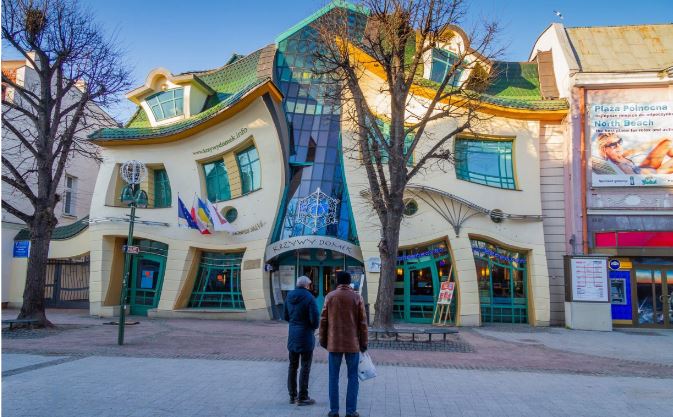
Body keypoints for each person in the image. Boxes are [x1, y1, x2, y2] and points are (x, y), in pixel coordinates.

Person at [319, 271, 368, 417]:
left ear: (338, 282)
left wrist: (323, 341)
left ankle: (334, 411)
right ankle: (351, 411)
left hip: (334, 343)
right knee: (352, 377)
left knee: (333, 377)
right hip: (353, 344)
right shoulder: (357, 297)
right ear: (349, 282)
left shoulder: (330, 296)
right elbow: (363, 323)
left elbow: (323, 321)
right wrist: (363, 343)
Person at [284, 275, 319, 406]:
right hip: (305, 336)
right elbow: (315, 319)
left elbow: (286, 315)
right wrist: (313, 327)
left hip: (292, 335)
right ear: (307, 285)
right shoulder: (309, 297)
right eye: (310, 285)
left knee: (292, 366)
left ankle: (292, 396)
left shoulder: (289, 295)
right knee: (305, 366)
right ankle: (303, 397)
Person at [595, 133, 673, 175]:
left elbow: (640, 148)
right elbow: (637, 180)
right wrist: (658, 173)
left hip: (644, 168)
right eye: (613, 145)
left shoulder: (620, 155)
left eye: (619, 142)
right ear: (604, 149)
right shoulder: (619, 165)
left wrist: (661, 139)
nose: (618, 146)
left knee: (667, 143)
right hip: (653, 174)